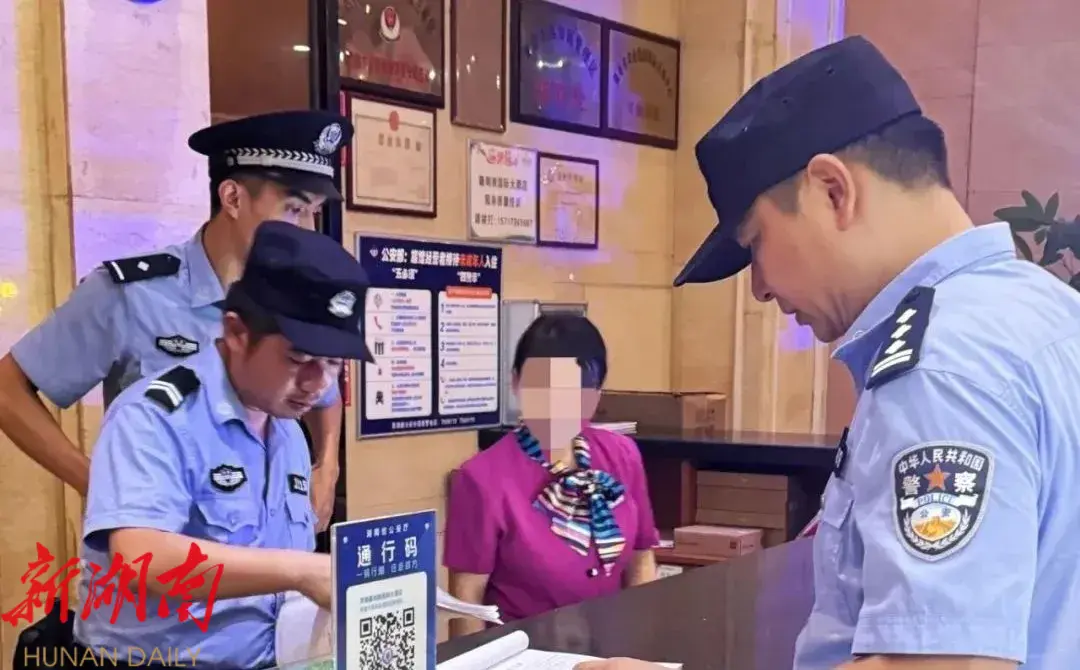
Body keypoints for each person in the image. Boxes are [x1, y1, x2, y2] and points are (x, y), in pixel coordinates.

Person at [578, 35, 1080, 670]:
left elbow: (941, 665)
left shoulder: (939, 367)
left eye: (756, 243)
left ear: (832, 191)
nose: (759, 287)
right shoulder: (1049, 313)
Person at [0, 110, 351, 531]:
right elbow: (7, 389)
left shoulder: (301, 293)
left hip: (271, 550)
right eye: (294, 209)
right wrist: (99, 484)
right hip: (168, 553)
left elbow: (324, 391)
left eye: (314, 212)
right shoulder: (133, 295)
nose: (307, 232)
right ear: (233, 198)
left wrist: (326, 465)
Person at [70, 220, 374, 669]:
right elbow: (142, 559)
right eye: (298, 358)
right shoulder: (155, 417)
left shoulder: (285, 425)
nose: (318, 383)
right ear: (236, 332)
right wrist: (301, 570)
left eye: (333, 363)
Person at [445, 313, 659, 638]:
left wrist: (642, 645)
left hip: (614, 650)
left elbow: (641, 561)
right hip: (526, 653)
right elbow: (467, 603)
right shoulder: (481, 479)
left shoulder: (622, 455)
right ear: (516, 382)